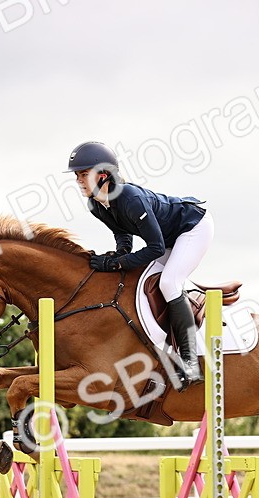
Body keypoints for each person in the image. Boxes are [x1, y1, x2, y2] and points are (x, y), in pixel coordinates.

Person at [66, 141, 213, 386]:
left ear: (103, 176)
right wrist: (120, 253)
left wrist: (115, 264)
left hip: (192, 228)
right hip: (166, 239)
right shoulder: (95, 203)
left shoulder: (130, 198)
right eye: (77, 176)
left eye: (83, 175)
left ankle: (190, 363)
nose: (78, 181)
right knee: (139, 283)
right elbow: (122, 232)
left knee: (169, 283)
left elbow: (154, 247)